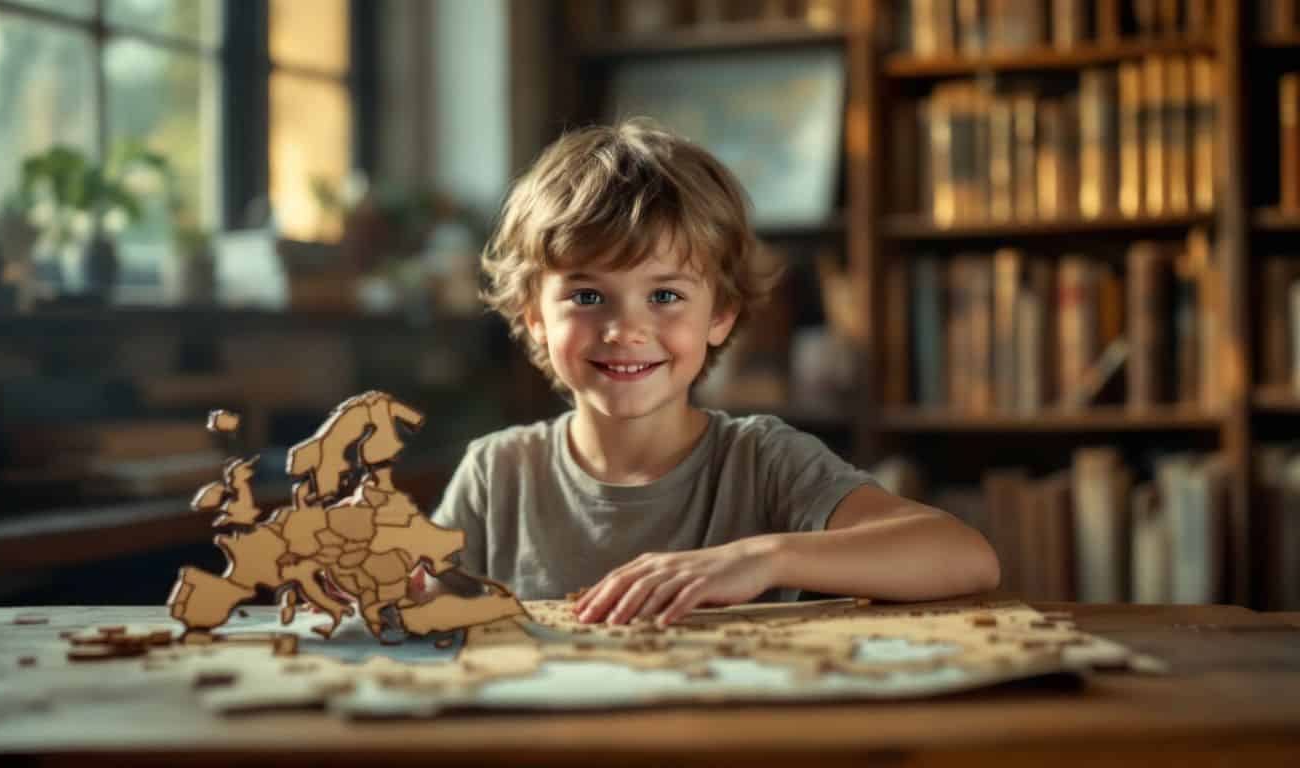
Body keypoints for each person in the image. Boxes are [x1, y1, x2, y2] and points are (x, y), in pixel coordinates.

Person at [425, 118, 1000, 627]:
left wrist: (763, 557)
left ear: (720, 315)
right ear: (534, 317)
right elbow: (412, 611)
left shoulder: (764, 462)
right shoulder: (496, 474)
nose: (626, 329)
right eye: (588, 296)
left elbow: (966, 555)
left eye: (666, 294)